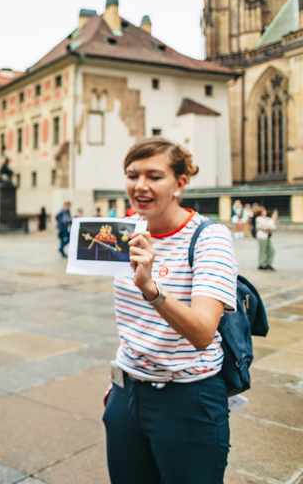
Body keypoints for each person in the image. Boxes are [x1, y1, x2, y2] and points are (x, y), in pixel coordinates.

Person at [104, 137, 237, 484]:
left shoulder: (210, 238)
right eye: (132, 175)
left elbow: (202, 333)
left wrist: (151, 288)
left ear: (180, 183)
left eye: (154, 176)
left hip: (188, 397)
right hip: (126, 391)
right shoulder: (123, 232)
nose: (140, 186)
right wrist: (120, 383)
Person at [255, 206, 277, 271]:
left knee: (271, 250)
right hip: (261, 237)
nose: (265, 212)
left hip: (267, 237)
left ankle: (268, 264)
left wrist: (273, 220)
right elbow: (266, 227)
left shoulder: (267, 219)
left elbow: (273, 227)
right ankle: (261, 264)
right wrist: (272, 220)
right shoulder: (258, 219)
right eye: (263, 211)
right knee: (262, 251)